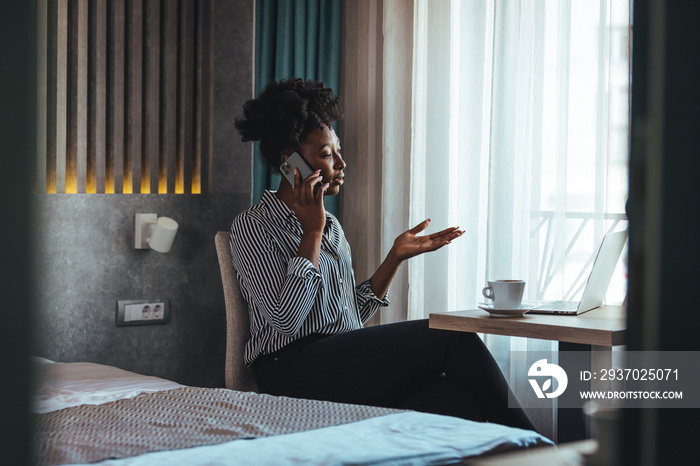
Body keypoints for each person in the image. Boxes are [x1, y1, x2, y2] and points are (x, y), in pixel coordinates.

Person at [230, 78, 535, 431]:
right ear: (290, 163)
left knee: (456, 398)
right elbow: (286, 321)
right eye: (328, 154)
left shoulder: (332, 226)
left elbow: (345, 314)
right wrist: (311, 233)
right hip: (290, 372)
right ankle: (546, 452)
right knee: (453, 336)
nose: (342, 163)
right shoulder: (254, 225)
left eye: (338, 151)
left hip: (338, 358)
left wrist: (394, 258)